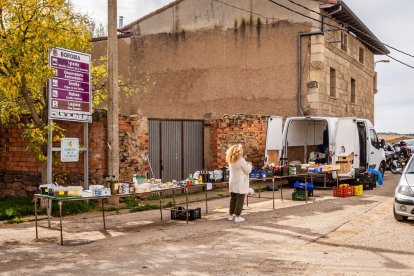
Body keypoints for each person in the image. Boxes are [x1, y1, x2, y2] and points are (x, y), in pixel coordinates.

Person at [225, 144, 252, 222]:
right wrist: (250, 165)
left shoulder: (230, 159)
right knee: (240, 199)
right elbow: (247, 171)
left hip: (232, 181)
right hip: (240, 182)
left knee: (233, 199)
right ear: (239, 151)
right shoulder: (241, 160)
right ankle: (237, 216)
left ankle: (231, 215)